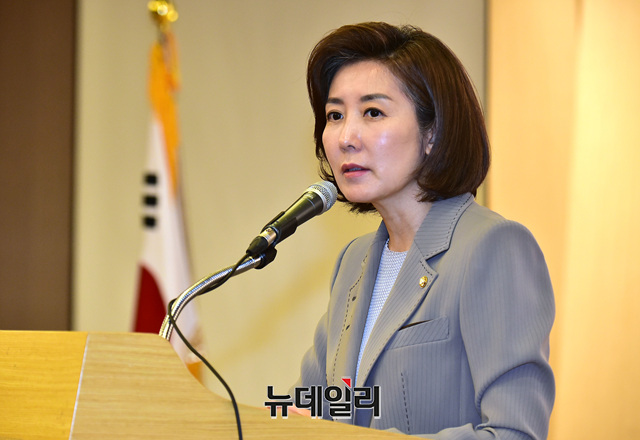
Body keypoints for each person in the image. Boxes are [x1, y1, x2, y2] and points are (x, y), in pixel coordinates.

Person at [292, 22, 555, 439]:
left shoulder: (493, 247)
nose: (346, 137)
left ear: (432, 133)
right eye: (335, 115)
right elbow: (315, 408)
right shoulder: (354, 263)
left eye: (372, 113)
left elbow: (514, 432)